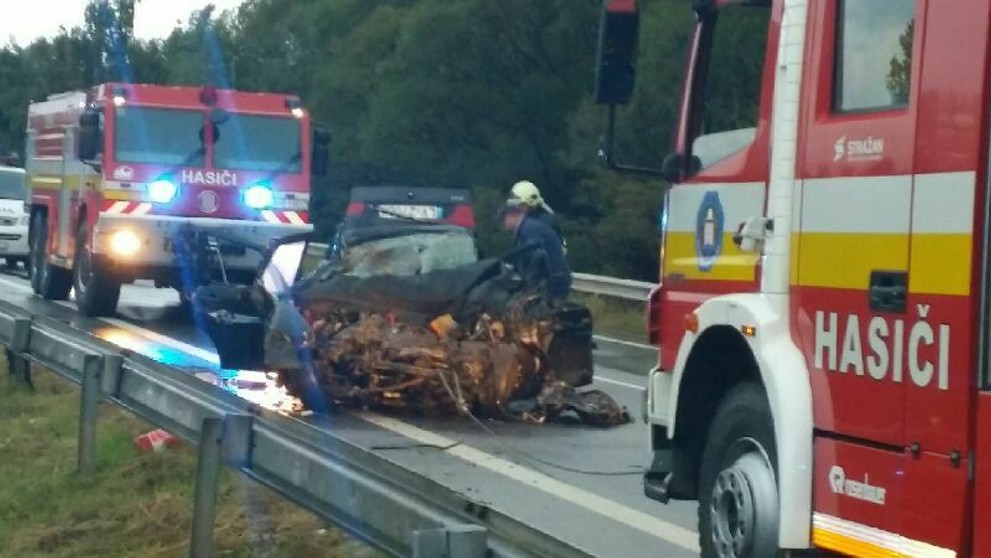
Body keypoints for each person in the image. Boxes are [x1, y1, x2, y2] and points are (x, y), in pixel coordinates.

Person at [499, 198, 572, 301]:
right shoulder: (529, 227)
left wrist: (532, 282)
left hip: (552, 281)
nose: (502, 225)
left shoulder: (528, 229)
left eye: (502, 220)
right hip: (556, 277)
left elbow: (536, 255)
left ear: (511, 215)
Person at [508, 180, 566, 251]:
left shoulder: (543, 224)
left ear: (531, 204)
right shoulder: (525, 224)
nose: (516, 209)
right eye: (515, 206)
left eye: (520, 205)